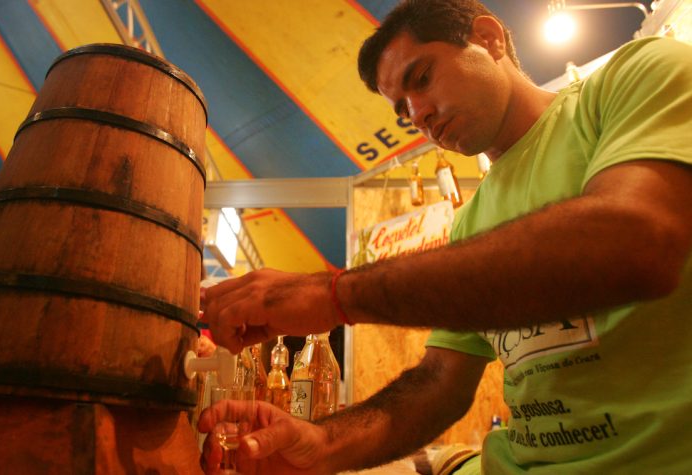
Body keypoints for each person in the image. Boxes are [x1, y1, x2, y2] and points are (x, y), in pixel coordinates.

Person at [198, 0, 692, 473]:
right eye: (402, 108)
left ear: (489, 38)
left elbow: (636, 239)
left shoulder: (634, 77)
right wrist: (322, 444)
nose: (417, 116)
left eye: (422, 77)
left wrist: (333, 294)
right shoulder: (471, 220)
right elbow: (439, 384)